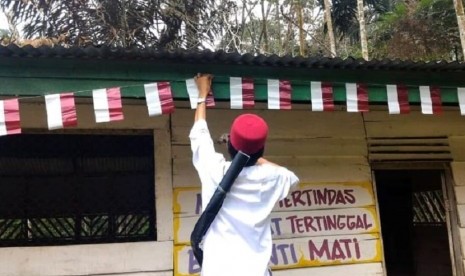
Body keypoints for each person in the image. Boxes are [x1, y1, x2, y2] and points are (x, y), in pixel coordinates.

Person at [189, 73, 299, 276]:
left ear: (230, 145)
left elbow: (199, 132)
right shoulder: (272, 178)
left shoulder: (214, 169)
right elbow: (290, 176)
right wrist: (252, 153)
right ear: (261, 150)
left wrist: (202, 93)